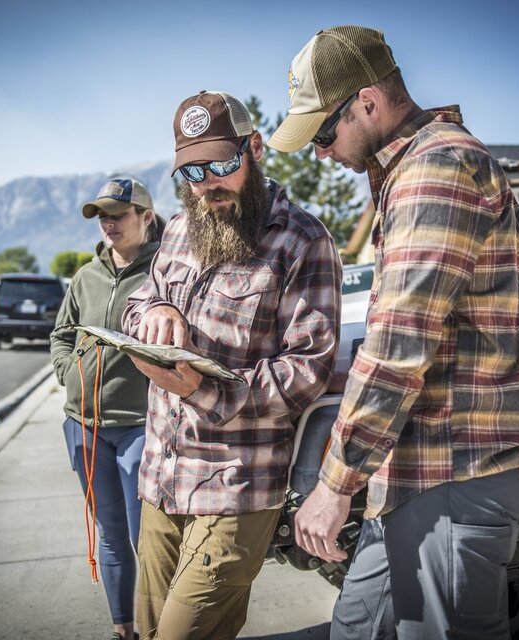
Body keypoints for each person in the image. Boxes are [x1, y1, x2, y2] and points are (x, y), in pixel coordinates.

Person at [269, 26, 519, 639]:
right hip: (412, 472)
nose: (319, 153)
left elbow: (398, 343)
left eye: (323, 133)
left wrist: (334, 483)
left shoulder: (434, 171)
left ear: (368, 103)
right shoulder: (412, 169)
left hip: (454, 471)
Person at [121, 90, 343, 640]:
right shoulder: (175, 230)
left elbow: (308, 368)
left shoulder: (303, 241)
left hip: (238, 487)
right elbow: (134, 307)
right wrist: (158, 308)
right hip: (161, 480)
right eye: (192, 171)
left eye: (221, 164)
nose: (207, 182)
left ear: (256, 149)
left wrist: (204, 389)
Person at [50, 177, 164, 640]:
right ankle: (123, 629)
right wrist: (69, 372)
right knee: (111, 535)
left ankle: (163, 629)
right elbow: (62, 333)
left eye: (118, 213)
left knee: (148, 539)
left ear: (146, 216)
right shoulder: (85, 276)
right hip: (84, 427)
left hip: (142, 428)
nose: (108, 223)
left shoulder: (166, 271)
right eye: (102, 215)